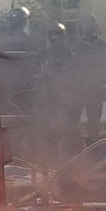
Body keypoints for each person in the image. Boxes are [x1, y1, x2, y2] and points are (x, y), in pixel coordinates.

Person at [39, 22, 81, 163]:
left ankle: (73, 163)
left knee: (70, 132)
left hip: (67, 101)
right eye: (52, 35)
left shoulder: (70, 56)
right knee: (51, 134)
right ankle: (53, 162)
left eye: (57, 35)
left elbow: (75, 80)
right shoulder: (43, 56)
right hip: (50, 100)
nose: (54, 39)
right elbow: (39, 78)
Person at [74, 15, 106, 144]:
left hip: (95, 89)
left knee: (94, 120)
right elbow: (70, 68)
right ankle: (75, 146)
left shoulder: (102, 46)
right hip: (79, 90)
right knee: (74, 120)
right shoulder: (75, 46)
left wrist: (101, 80)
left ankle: (93, 147)